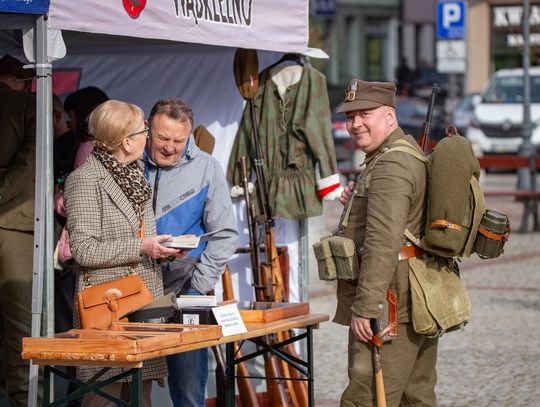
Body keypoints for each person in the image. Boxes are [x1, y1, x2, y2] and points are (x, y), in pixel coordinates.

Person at [64, 100, 185, 406]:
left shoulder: (134, 176)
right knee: (103, 398)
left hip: (143, 305)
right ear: (127, 141)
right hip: (107, 309)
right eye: (144, 129)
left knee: (140, 399)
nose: (148, 134)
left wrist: (162, 250)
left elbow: (141, 237)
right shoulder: (84, 180)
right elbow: (84, 250)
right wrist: (143, 246)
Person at [333, 80, 437, 406]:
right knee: (415, 396)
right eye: (350, 116)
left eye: (365, 113)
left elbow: (382, 242)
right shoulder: (394, 156)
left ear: (390, 115)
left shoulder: (391, 164)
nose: (355, 124)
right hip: (414, 295)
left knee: (365, 398)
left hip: (390, 302)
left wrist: (365, 307)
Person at [142, 98, 238, 407]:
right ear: (147, 131)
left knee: (187, 388)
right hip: (137, 287)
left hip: (188, 288)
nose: (170, 147)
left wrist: (198, 284)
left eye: (178, 140)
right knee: (130, 381)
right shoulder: (130, 162)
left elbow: (224, 235)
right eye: (162, 138)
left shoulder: (207, 167)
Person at [0, 53, 40, 407]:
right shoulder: (29, 107)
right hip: (16, 223)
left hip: (16, 223)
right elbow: (30, 160)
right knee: (20, 328)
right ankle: (23, 399)